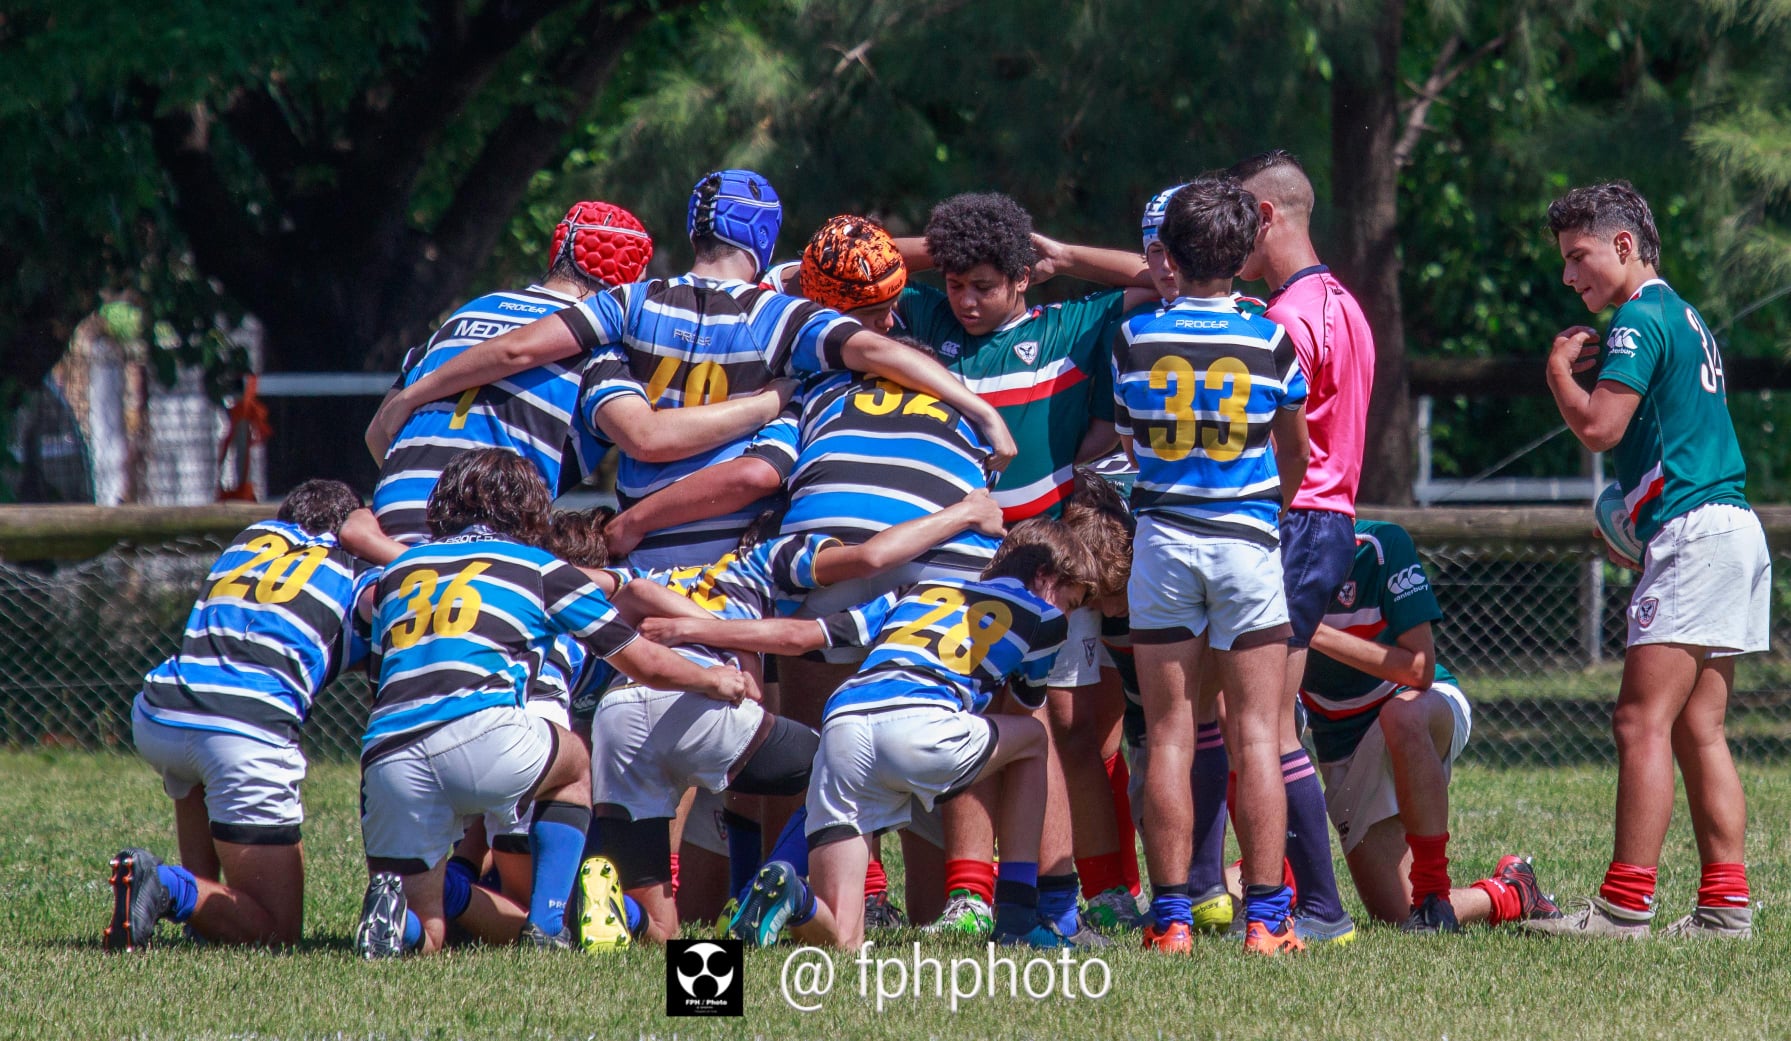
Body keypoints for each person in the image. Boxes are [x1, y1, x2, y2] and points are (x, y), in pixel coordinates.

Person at [366, 171, 1016, 570]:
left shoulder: (629, 304)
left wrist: (411, 395)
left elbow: (515, 352)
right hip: (730, 558)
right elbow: (875, 349)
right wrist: (980, 409)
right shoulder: (778, 317)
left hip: (635, 554)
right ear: (762, 240)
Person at [352, 449, 752, 958]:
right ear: (529, 508)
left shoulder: (398, 571)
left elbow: (380, 679)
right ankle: (546, 927)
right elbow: (643, 662)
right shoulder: (538, 567)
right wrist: (711, 679)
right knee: (574, 760)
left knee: (429, 936)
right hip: (484, 732)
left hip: (387, 756)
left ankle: (399, 923)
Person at [893, 192, 1155, 937]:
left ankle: (1072, 897)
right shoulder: (929, 321)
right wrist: (947, 247)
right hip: (958, 560)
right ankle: (971, 897)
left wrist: (1060, 254)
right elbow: (830, 264)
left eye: (984, 284)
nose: (966, 301)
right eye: (955, 283)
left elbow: (1159, 277)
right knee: (969, 719)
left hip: (1048, 566)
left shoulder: (1069, 326)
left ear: (1021, 279)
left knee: (1057, 727)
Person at [653, 518, 1097, 950]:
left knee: (844, 939)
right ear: (1045, 577)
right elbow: (1019, 710)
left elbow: (802, 636)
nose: (1068, 615)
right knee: (1032, 740)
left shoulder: (916, 590)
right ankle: (1018, 918)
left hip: (842, 727)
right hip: (920, 724)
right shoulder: (1045, 618)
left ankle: (796, 898)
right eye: (1072, 602)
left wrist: (694, 627)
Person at [583, 489, 1004, 941]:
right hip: (702, 700)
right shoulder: (763, 557)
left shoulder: (652, 573)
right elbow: (869, 558)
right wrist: (965, 512)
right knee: (841, 766)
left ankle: (621, 909)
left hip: (618, 715)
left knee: (661, 931)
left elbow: (600, 583)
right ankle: (763, 889)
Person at [1530, 181, 1770, 939]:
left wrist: (1557, 375)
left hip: (1694, 532)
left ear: (1624, 245)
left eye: (1579, 256)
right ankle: (1725, 908)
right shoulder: (1683, 314)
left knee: (1639, 720)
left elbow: (1601, 428)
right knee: (1699, 726)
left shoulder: (1636, 317)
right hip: (1735, 526)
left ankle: (1624, 906)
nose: (1569, 275)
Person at [1111, 174, 1311, 955]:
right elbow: (1294, 450)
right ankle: (1266, 919)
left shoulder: (1134, 338)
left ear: (1169, 252)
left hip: (1161, 541)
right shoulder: (1270, 338)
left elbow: (1131, 444)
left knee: (1167, 734)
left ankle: (1169, 920)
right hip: (1245, 544)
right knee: (1257, 733)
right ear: (1243, 250)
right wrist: (1264, 509)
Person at [369, 199, 786, 543]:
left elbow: (377, 434)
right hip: (480, 534)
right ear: (629, 279)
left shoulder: (464, 315)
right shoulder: (595, 348)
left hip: (389, 518)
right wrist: (768, 403)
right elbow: (646, 437)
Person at [105, 480, 385, 951]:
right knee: (276, 930)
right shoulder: (354, 569)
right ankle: (166, 885)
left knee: (197, 769)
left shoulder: (251, 538)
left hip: (160, 710)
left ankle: (198, 914)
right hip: (242, 728)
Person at [1226, 149, 1376, 944]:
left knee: (1262, 724)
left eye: (1235, 220)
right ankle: (1301, 899)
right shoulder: (1345, 303)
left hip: (1295, 519)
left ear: (1265, 216)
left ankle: (1315, 905)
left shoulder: (1281, 321)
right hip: (1332, 522)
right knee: (1270, 720)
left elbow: (1277, 443)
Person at [1302, 520, 1563, 931]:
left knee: (1401, 717)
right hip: (1340, 742)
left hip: (1413, 701)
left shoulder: (1380, 544)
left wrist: (1309, 630)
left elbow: (1420, 668)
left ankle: (1433, 894)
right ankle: (1513, 892)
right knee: (1394, 915)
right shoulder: (1265, 547)